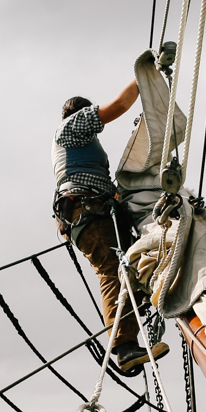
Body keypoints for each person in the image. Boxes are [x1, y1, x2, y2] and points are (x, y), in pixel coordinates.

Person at [52, 79, 169, 376]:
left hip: (96, 211)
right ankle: (125, 346)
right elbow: (118, 106)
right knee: (111, 271)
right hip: (87, 213)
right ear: (80, 113)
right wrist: (145, 78)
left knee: (128, 267)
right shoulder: (72, 126)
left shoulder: (84, 147)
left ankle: (134, 315)